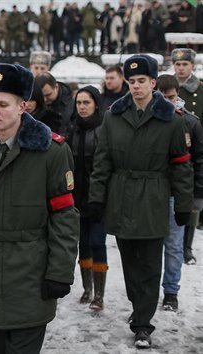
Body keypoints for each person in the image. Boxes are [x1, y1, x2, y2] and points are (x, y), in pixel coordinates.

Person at [0, 63, 79, 353]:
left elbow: (64, 217)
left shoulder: (50, 152)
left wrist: (59, 272)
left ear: (23, 106)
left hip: (31, 274)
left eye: (3, 104)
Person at [88, 55, 193, 349]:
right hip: (121, 196)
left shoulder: (171, 119)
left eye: (141, 81)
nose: (135, 87)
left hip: (154, 196)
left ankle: (143, 324)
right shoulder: (114, 116)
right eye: (131, 81)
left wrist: (184, 203)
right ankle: (139, 306)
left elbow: (181, 165)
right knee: (130, 263)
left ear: (153, 83)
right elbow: (103, 160)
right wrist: (96, 197)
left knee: (149, 264)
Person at [155, 74, 203, 310]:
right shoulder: (150, 120)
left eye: (172, 97)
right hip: (152, 191)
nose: (168, 102)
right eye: (163, 98)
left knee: (174, 245)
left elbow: (199, 160)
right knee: (151, 244)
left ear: (178, 96)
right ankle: (150, 289)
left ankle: (171, 291)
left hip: (177, 192)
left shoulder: (190, 122)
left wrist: (197, 194)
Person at [68, 86, 107, 311]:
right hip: (76, 198)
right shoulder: (72, 130)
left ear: (95, 104)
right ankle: (87, 288)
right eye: (79, 103)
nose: (82, 107)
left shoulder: (103, 129)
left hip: (98, 197)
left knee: (97, 243)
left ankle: (99, 295)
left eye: (86, 103)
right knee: (82, 244)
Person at [34, 72, 74, 136]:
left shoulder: (72, 103)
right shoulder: (32, 102)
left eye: (48, 95)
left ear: (56, 87)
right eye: (41, 96)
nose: (44, 99)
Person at [171, 48, 203, 120]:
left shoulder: (200, 88)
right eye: (178, 64)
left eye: (185, 64)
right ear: (173, 65)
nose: (181, 68)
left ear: (192, 66)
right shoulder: (165, 86)